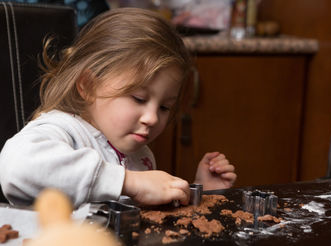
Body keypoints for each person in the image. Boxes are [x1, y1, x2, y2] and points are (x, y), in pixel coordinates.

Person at [0, 8, 236, 208]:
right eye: (138, 99)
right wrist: (129, 182)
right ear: (88, 86)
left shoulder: (139, 156)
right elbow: (17, 166)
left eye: (165, 107)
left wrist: (203, 194)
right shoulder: (62, 130)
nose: (152, 118)